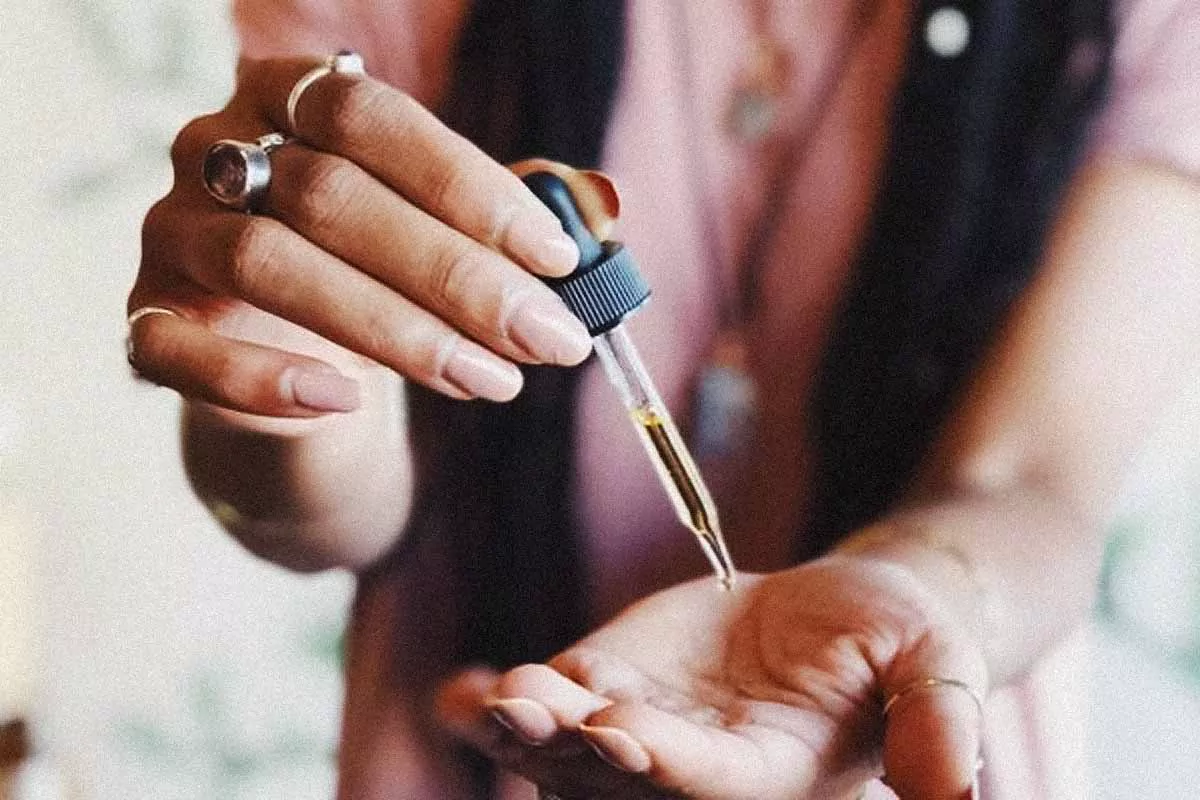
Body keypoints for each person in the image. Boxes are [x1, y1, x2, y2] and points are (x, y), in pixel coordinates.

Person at [125, 0, 1200, 797]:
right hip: (472, 744)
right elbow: (323, 511)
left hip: (909, 753)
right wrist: (278, 382)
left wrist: (911, 600)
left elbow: (1033, 478)